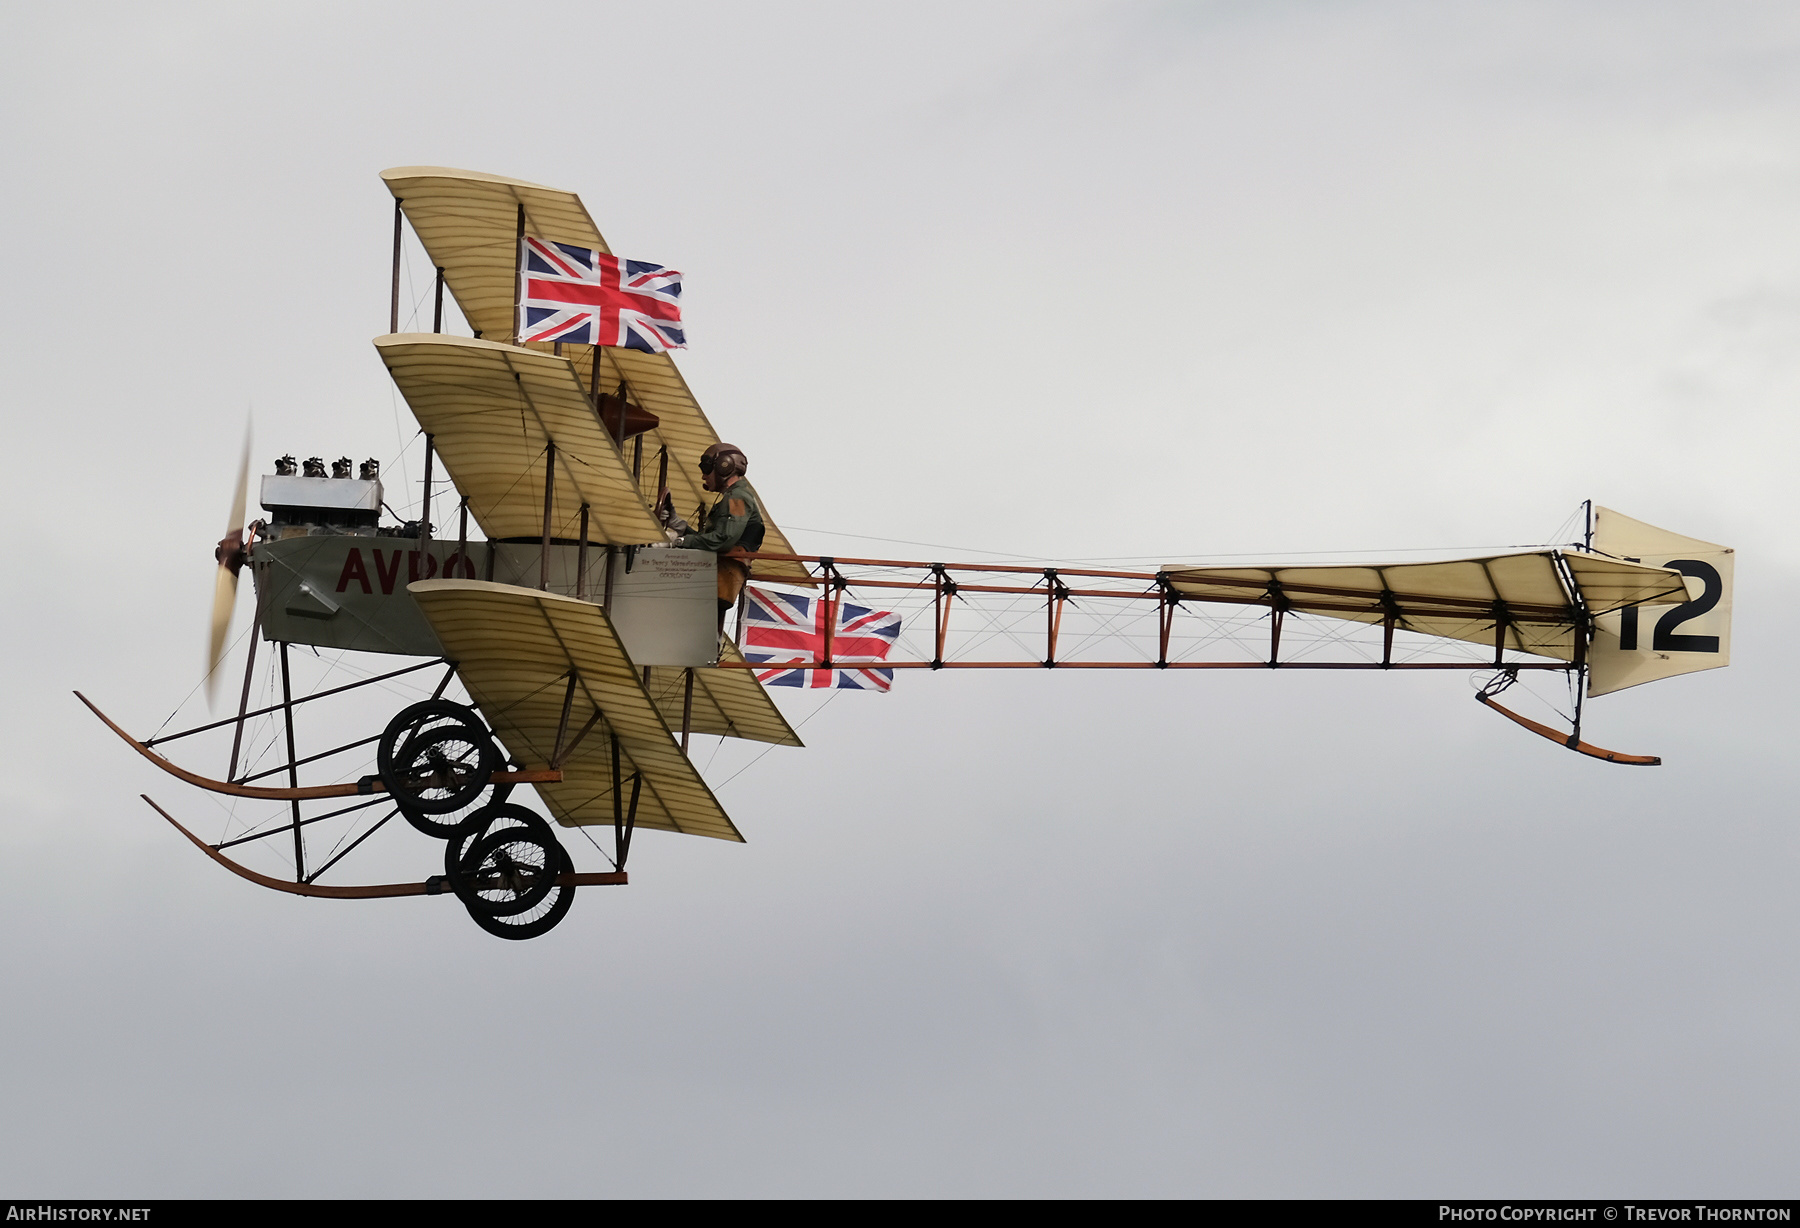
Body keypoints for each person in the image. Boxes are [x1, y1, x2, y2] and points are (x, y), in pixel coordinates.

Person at [661, 442, 765, 627]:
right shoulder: (735, 497)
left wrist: (678, 542)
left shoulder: (737, 499)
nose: (704, 475)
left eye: (707, 468)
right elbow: (711, 539)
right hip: (715, 573)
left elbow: (724, 539)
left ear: (725, 466)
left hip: (720, 575)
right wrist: (678, 525)